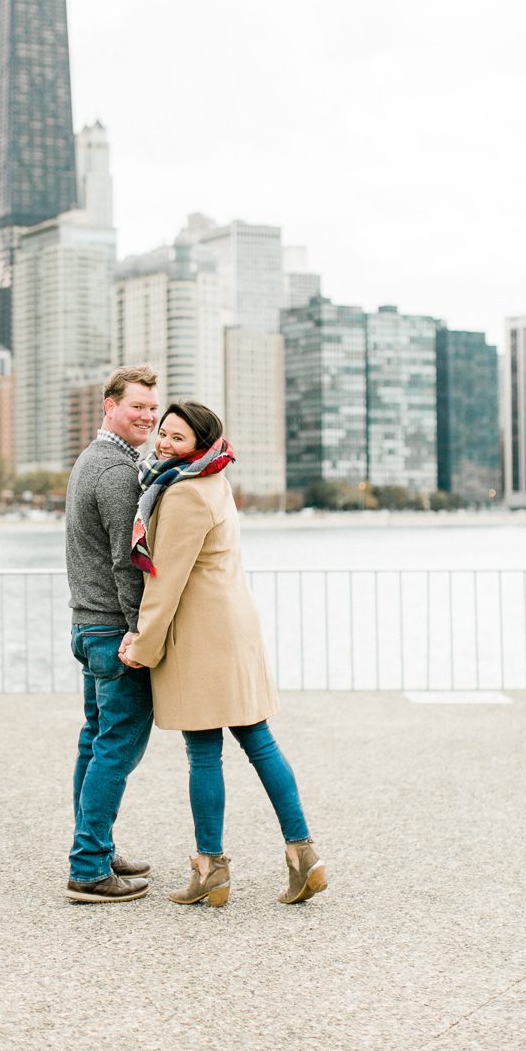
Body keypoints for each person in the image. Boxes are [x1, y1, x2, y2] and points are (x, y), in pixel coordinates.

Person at [121, 399, 327, 908]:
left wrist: (142, 646)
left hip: (202, 637)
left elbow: (165, 579)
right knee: (259, 741)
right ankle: (305, 858)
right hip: (232, 628)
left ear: (199, 444)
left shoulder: (185, 492)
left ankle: (210, 869)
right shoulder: (214, 479)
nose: (164, 443)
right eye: (162, 433)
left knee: (204, 753)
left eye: (177, 438)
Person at [64, 365, 160, 903]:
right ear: (109, 405)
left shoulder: (91, 460)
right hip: (111, 631)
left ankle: (95, 846)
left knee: (95, 742)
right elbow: (130, 562)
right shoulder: (119, 473)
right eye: (137, 407)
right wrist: (138, 633)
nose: (147, 416)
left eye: (152, 407)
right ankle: (88, 868)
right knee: (116, 748)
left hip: (86, 624)